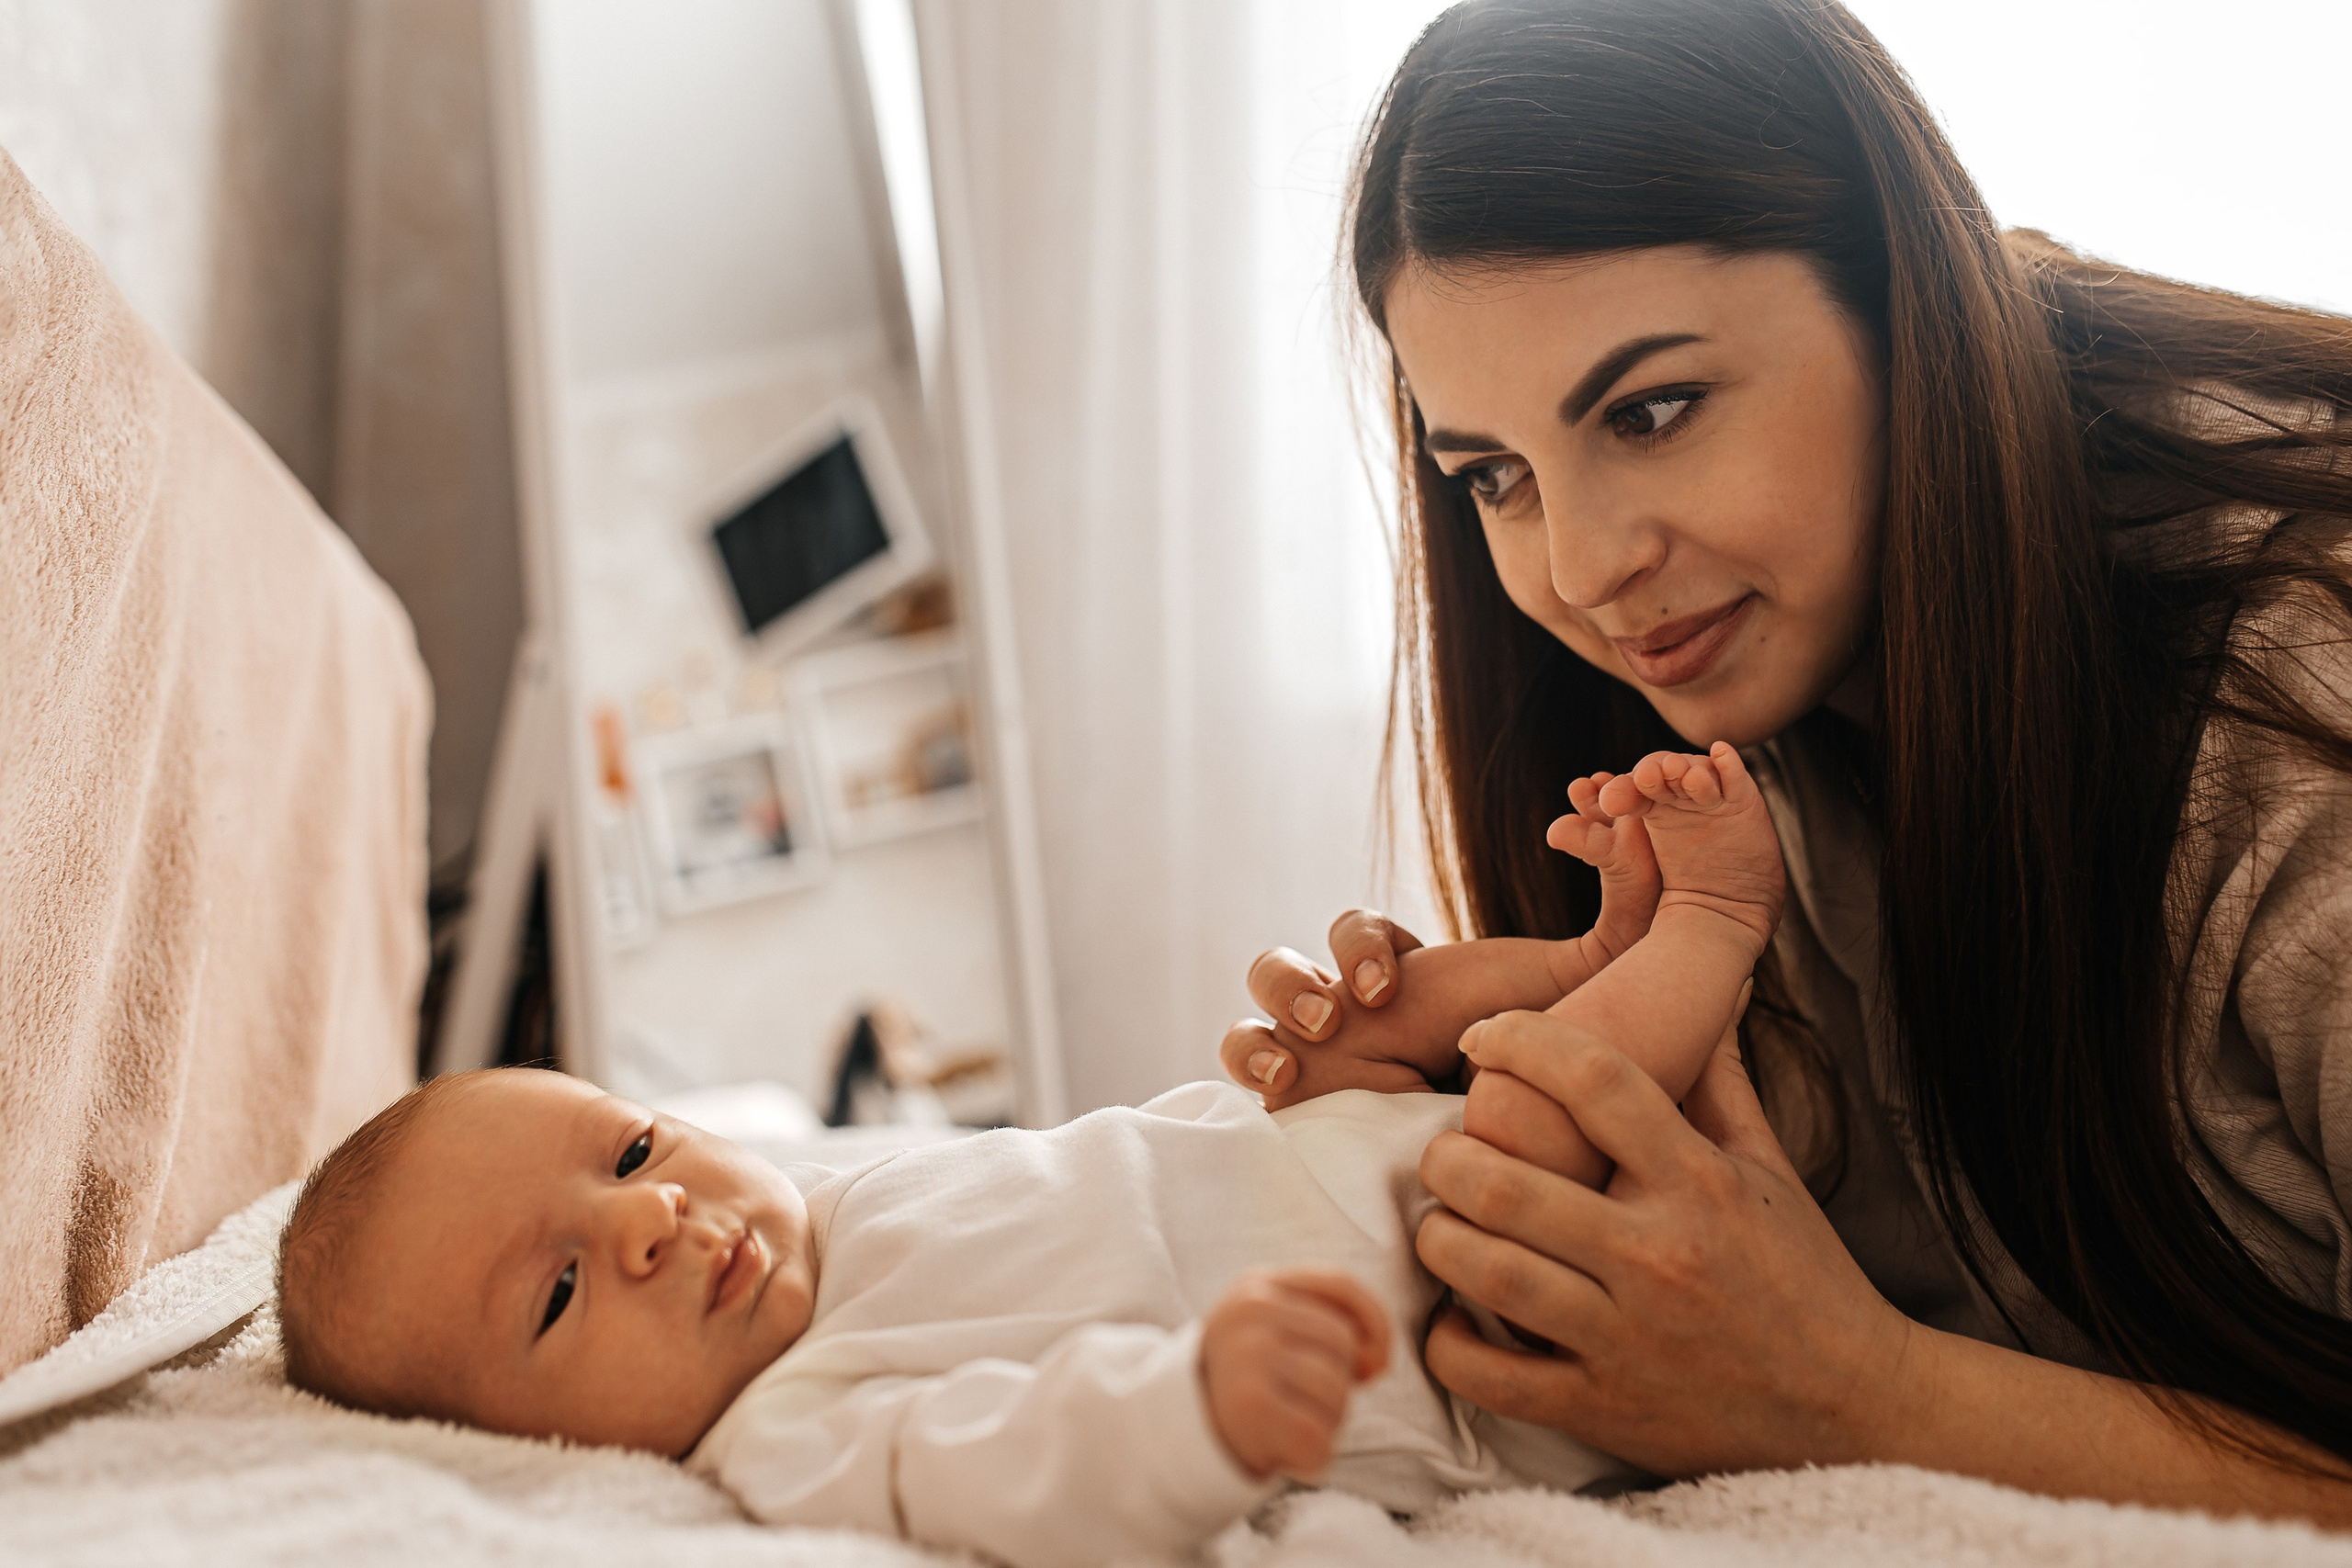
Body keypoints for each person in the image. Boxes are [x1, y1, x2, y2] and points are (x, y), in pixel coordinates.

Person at [1222, 0, 2352, 1526]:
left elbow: (1875, 1354)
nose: (1582, 566)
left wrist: (1857, 1392)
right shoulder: (1748, 748)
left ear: (1904, 295)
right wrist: (1489, 1109)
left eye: (1655, 409)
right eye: (1492, 476)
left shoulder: (2301, 696)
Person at [273, 747, 1773, 1566]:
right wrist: (1196, 1413)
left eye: (633, 1148)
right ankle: (1709, 933)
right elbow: (1023, 1461)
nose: (654, 1219)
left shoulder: (834, 1200)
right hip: (1487, 1329)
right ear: (523, 1448)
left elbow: (1101, 1175)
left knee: (1411, 1005)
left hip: (1350, 1162)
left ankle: (1601, 961)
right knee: (1522, 1128)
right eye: (557, 1295)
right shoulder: (793, 1435)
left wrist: (1310, 1098)